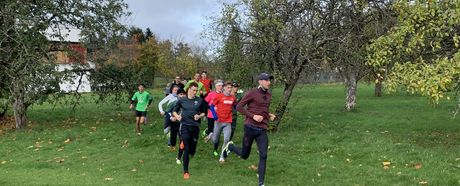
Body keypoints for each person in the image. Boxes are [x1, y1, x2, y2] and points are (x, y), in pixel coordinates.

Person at [224, 73, 276, 186]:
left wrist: (269, 114)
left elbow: (263, 109)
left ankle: (261, 183)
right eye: (267, 80)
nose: (269, 82)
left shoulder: (269, 95)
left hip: (262, 129)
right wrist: (253, 116)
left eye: (269, 80)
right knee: (244, 155)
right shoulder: (252, 93)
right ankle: (231, 146)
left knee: (263, 155)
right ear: (260, 81)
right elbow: (238, 107)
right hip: (250, 128)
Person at [172, 82, 207, 180]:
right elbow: (174, 110)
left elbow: (204, 112)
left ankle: (184, 143)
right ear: (189, 90)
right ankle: (186, 171)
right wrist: (177, 116)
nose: (195, 92)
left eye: (196, 90)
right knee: (187, 150)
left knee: (192, 151)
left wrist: (199, 116)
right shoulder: (182, 100)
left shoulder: (200, 100)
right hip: (184, 126)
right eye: (193, 90)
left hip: (195, 127)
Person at [210, 81, 236, 163]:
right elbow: (211, 105)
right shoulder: (219, 96)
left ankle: (221, 157)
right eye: (228, 87)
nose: (229, 89)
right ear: (224, 88)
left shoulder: (233, 97)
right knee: (215, 140)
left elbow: (236, 105)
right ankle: (211, 135)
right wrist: (214, 115)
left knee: (226, 140)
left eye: (231, 88)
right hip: (218, 121)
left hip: (228, 122)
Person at [203, 80, 224, 148]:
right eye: (219, 85)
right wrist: (210, 107)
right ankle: (208, 133)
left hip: (220, 116)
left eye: (221, 86)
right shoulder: (211, 94)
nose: (221, 87)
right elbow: (204, 102)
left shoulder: (223, 94)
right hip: (211, 115)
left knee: (217, 131)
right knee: (211, 130)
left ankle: (215, 143)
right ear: (216, 86)